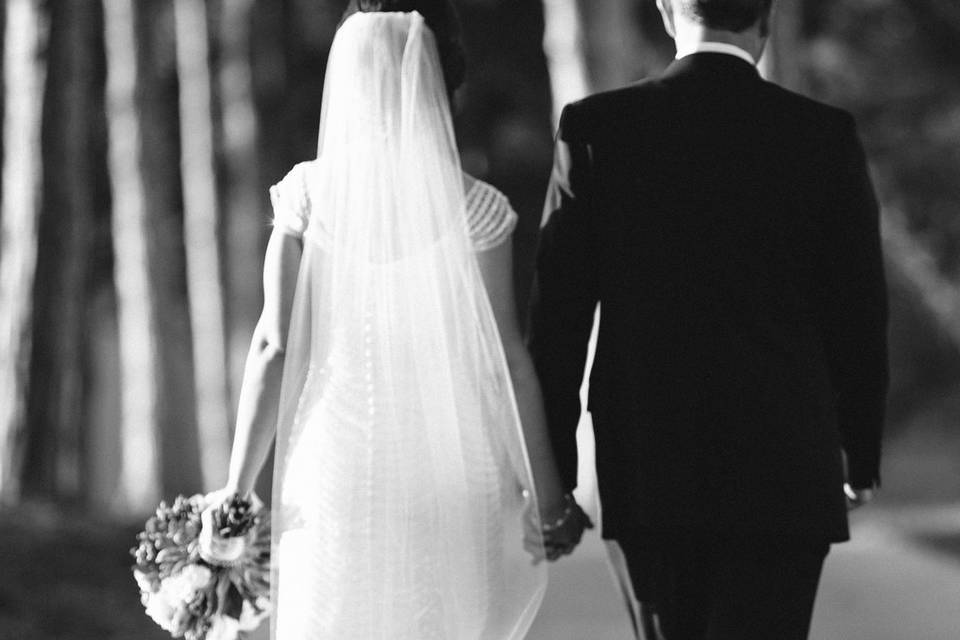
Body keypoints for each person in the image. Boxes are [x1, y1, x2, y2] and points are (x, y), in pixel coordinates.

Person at [208, 1, 588, 638]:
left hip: (335, 464)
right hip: (451, 465)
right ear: (438, 83)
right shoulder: (480, 212)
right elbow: (505, 362)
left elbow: (273, 345)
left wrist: (237, 489)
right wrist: (546, 496)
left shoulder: (304, 196)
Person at [527, 1, 888, 638]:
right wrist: (859, 456)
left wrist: (554, 477)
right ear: (767, 20)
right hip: (785, 471)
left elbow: (557, 319)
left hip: (648, 469)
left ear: (667, 11)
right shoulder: (821, 133)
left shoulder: (597, 128)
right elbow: (858, 312)